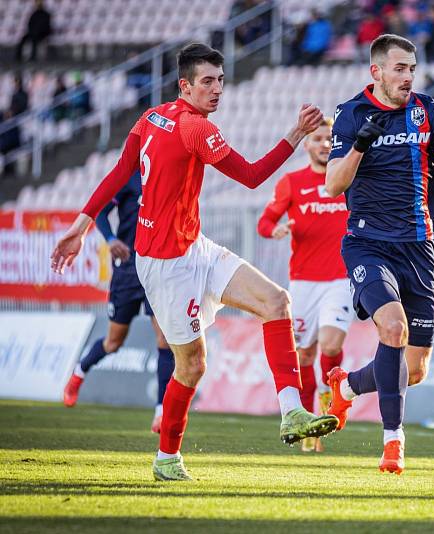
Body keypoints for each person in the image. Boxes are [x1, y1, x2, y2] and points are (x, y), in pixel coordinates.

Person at [50, 43, 338, 482]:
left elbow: (119, 172)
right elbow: (253, 176)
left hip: (193, 246)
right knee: (192, 366)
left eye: (221, 80)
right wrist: (296, 134)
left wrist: (83, 222)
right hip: (166, 265)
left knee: (276, 302)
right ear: (184, 85)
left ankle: (292, 411)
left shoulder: (150, 117)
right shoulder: (195, 128)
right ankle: (166, 457)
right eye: (207, 81)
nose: (217, 89)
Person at [323, 34, 434, 474]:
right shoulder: (350, 115)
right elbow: (333, 185)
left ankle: (345, 389)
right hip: (368, 243)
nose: (407, 77)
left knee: (415, 369)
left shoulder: (429, 112)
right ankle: (393, 444)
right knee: (393, 327)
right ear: (376, 72)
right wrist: (361, 144)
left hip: (420, 247)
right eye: (399, 69)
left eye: (412, 69)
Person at [256, 117, 353, 453]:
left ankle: (331, 399)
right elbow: (264, 222)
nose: (325, 144)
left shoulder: (348, 178)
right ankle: (310, 418)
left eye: (330, 139)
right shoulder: (292, 182)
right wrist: (276, 230)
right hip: (302, 283)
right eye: (318, 139)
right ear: (308, 145)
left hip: (340, 279)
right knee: (305, 353)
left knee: (329, 345)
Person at [62, 171, 175, 433]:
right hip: (126, 270)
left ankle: (161, 412)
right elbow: (100, 211)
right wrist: (111, 239)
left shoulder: (168, 173)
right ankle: (79, 373)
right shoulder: (130, 176)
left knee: (164, 340)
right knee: (113, 343)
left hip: (156, 269)